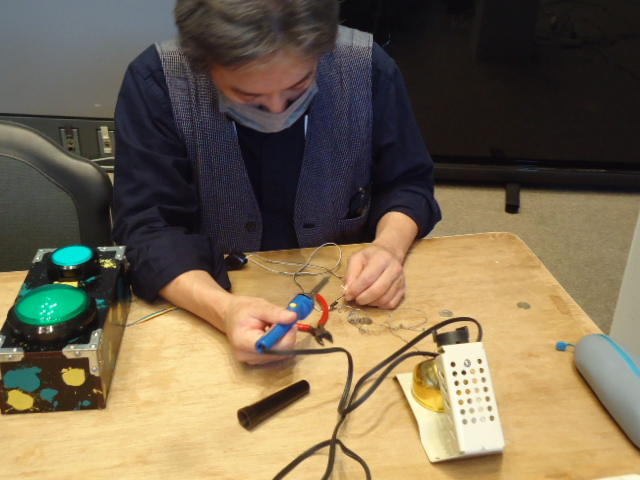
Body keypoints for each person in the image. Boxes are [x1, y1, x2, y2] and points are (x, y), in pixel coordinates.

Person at [112, 0, 441, 365]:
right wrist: (224, 310)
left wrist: (388, 249)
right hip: (207, 299)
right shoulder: (158, 81)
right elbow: (149, 228)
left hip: (347, 298)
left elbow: (407, 183)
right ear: (202, 63)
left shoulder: (367, 68)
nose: (278, 113)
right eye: (248, 96)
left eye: (298, 87)